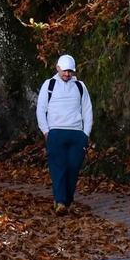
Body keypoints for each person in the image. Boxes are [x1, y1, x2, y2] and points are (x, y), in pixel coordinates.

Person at [36, 53, 93, 214]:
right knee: (58, 168)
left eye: (70, 71)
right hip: (55, 133)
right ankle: (60, 202)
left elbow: (87, 110)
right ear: (58, 68)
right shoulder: (49, 85)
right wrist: (46, 131)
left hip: (76, 134)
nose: (67, 74)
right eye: (65, 71)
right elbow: (41, 109)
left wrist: (85, 134)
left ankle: (67, 200)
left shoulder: (80, 87)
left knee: (73, 168)